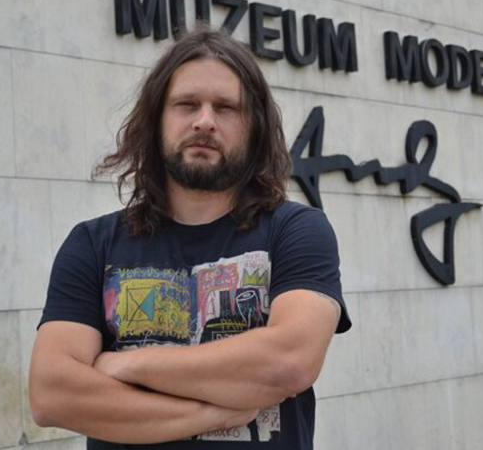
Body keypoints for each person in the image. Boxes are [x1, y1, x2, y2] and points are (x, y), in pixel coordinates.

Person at [28, 27, 351, 449]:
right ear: (156, 120)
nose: (204, 121)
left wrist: (127, 364)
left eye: (226, 108)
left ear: (254, 127)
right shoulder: (93, 243)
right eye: (186, 104)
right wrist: (216, 413)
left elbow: (288, 363)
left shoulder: (295, 230)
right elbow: (53, 394)